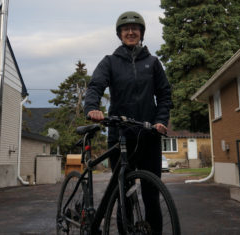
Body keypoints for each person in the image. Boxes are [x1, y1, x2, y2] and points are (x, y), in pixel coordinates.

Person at [84, 11, 173, 234]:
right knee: (123, 194)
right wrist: (93, 108)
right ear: (120, 34)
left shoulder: (153, 63)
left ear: (141, 33)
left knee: (151, 193)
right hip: (120, 135)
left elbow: (164, 95)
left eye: (135, 29)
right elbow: (95, 85)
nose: (131, 32)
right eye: (126, 29)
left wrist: (161, 121)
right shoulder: (110, 62)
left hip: (148, 135)